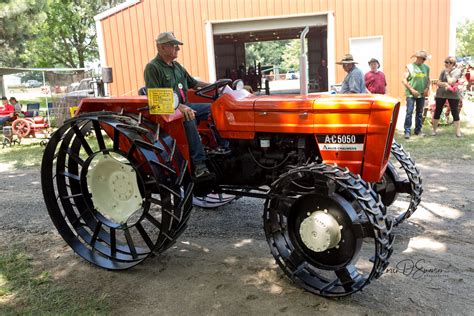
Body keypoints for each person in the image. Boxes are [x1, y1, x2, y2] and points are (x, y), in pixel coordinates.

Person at [144, 32, 212, 178]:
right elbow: (155, 97)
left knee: (215, 109)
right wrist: (180, 107)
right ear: (162, 47)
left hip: (185, 106)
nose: (178, 49)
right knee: (188, 116)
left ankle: (222, 149)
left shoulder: (177, 66)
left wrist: (216, 86)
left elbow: (194, 83)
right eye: (174, 46)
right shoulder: (152, 68)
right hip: (167, 111)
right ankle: (200, 165)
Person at [402, 50, 430, 139]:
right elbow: (404, 80)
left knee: (419, 113)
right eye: (423, 59)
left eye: (424, 59)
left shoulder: (426, 67)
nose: (424, 61)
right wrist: (412, 90)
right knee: (409, 112)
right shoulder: (409, 67)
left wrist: (427, 88)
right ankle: (407, 131)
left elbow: (428, 79)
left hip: (422, 94)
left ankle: (418, 130)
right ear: (417, 58)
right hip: (411, 94)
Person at [432, 56, 463, 137]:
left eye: (447, 62)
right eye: (445, 62)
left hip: (453, 95)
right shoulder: (443, 71)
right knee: (437, 111)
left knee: (455, 112)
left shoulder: (457, 71)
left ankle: (458, 132)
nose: (445, 64)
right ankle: (434, 131)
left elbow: (451, 82)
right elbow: (438, 82)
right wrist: (445, 84)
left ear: (452, 64)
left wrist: (447, 74)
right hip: (441, 94)